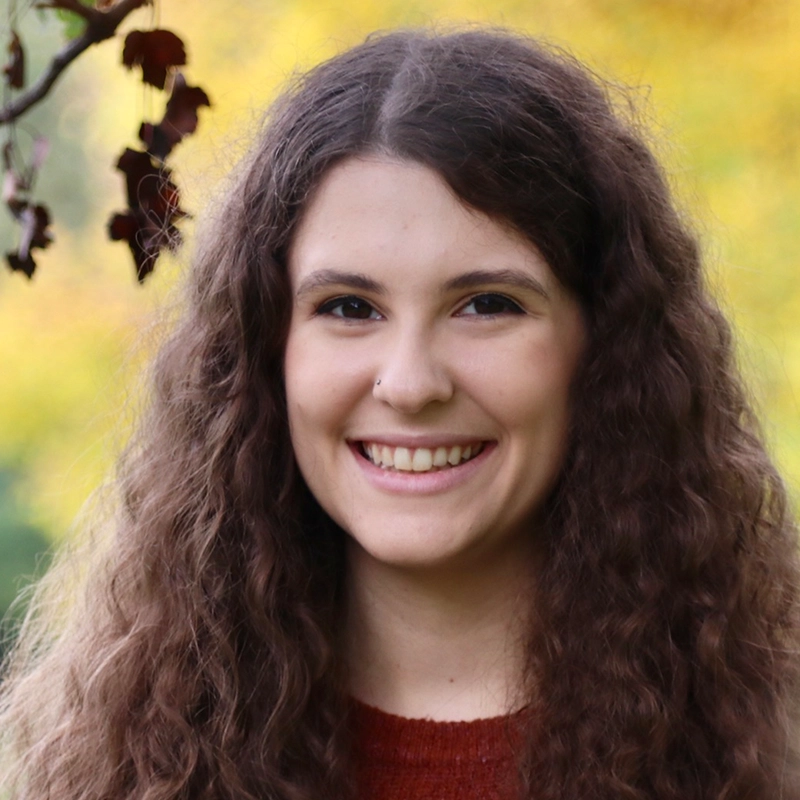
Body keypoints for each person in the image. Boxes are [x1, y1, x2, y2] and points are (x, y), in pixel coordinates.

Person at [2, 27, 799, 800]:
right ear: (265, 353)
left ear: (606, 347)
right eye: (349, 307)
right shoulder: (105, 768)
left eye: (487, 304)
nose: (410, 383)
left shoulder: (774, 744)